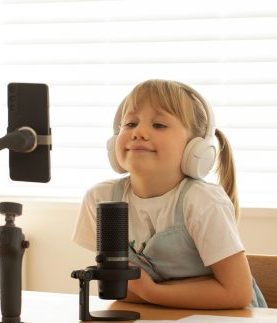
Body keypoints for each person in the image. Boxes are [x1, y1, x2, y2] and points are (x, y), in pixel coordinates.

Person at [71, 79, 266, 309]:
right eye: (130, 123)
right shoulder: (102, 199)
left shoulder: (201, 202)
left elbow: (236, 294)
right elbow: (120, 292)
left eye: (159, 125)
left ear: (195, 148)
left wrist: (151, 291)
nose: (139, 132)